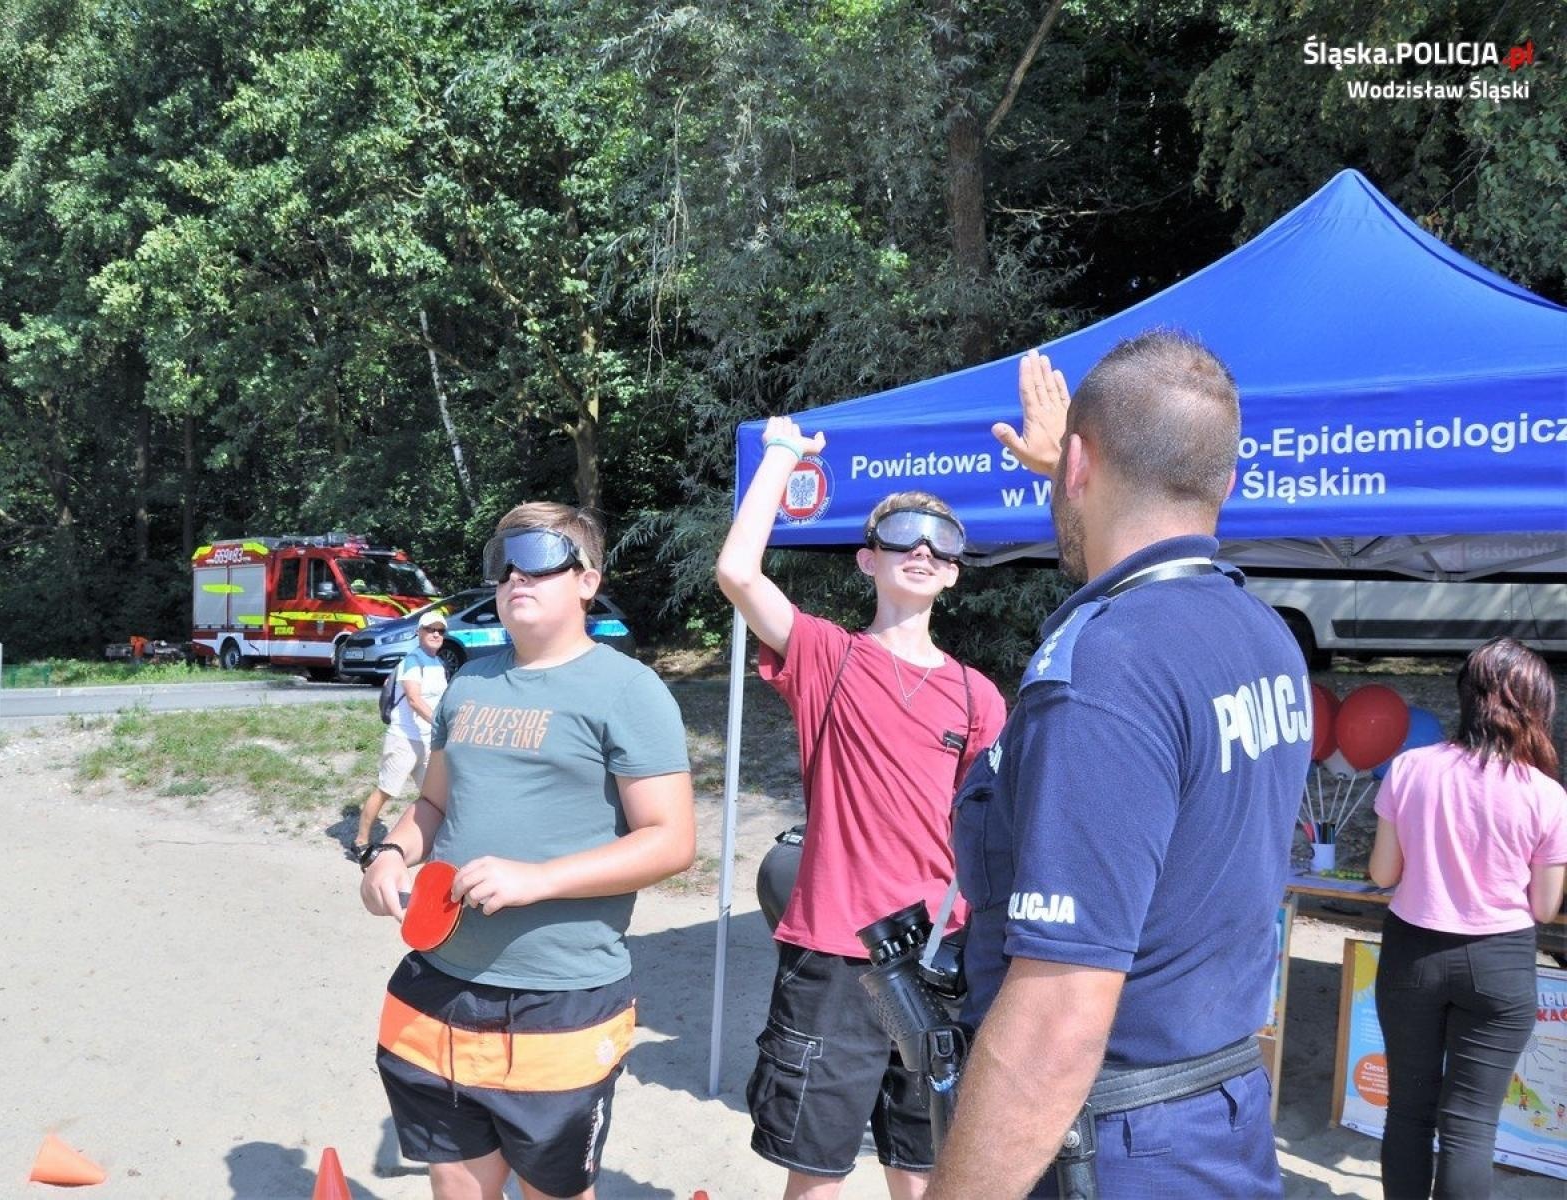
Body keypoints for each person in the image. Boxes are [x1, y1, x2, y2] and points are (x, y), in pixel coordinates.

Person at [928, 334, 1313, 1199]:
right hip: (1222, 1119)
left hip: (1112, 1150)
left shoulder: (1109, 668)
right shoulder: (1266, 640)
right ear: (1230, 482)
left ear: (1078, 467)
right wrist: (1071, 467)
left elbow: (1056, 1019)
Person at [359, 502, 695, 1200]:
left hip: (559, 998)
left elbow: (671, 841)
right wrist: (390, 854)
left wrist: (538, 879)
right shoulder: (470, 680)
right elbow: (434, 806)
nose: (518, 578)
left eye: (541, 562)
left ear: (587, 580)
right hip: (438, 981)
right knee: (455, 1183)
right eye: (505, 565)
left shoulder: (630, 691)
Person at [717, 424, 1007, 1200]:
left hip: (936, 957)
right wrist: (783, 453)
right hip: (835, 952)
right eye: (902, 537)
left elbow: (988, 832)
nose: (923, 551)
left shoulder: (979, 695)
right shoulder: (827, 657)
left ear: (953, 574)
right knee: (816, 1173)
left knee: (922, 1166)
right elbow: (738, 571)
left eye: (942, 545)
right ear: (866, 558)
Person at [1368, 636, 1567, 1200]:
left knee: (1408, 1113)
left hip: (1414, 956)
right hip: (1500, 963)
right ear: (1536, 706)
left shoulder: (1410, 768)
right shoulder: (1547, 795)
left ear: (1467, 697)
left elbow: (1383, 874)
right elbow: (1543, 907)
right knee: (1469, 1128)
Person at [353, 608, 449, 859]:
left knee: (435, 795)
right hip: (404, 738)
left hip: (427, 741)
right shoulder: (412, 661)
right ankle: (361, 841)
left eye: (440, 631)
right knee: (386, 790)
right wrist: (442, 725)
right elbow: (415, 701)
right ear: (419, 632)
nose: (436, 634)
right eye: (430, 629)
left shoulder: (437, 663)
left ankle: (436, 845)